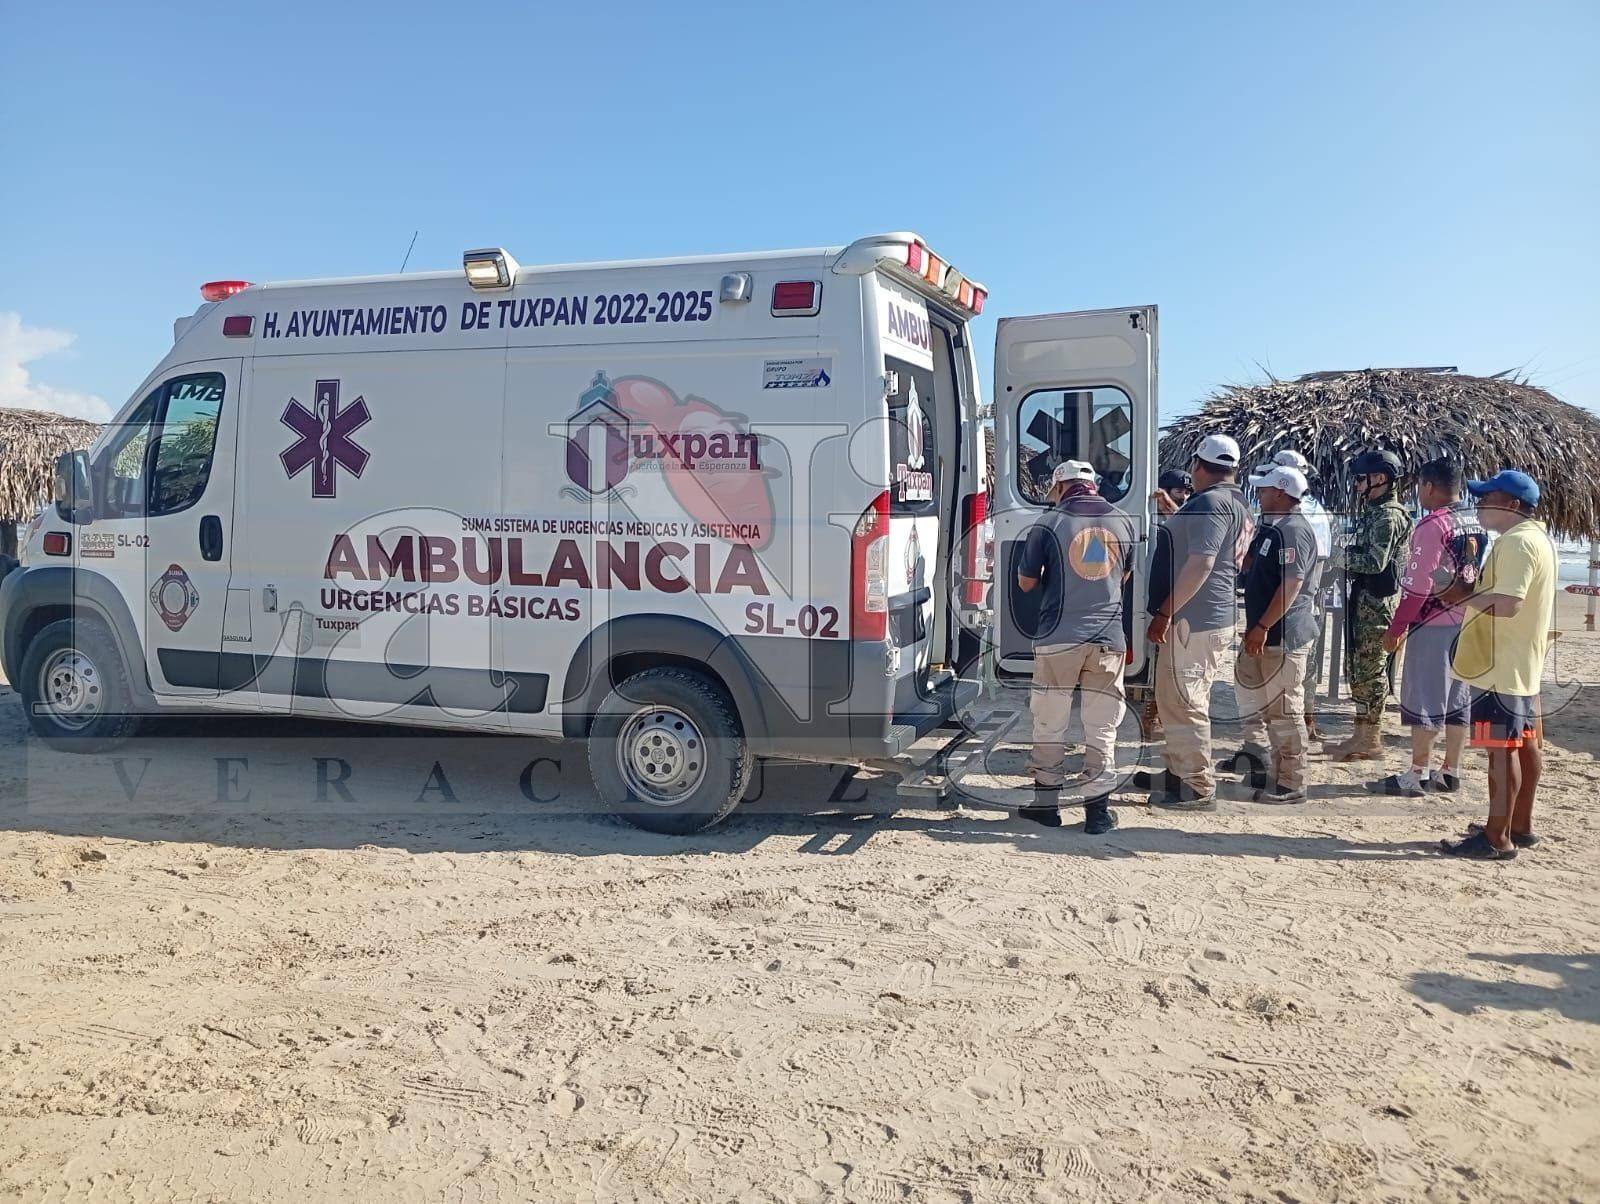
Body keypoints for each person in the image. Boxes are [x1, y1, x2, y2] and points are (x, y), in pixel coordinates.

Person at [1016, 460, 1139, 834]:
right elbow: (1125, 577)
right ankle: (1097, 813)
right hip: (1108, 640)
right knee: (1102, 726)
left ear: (1060, 486)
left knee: (1050, 721)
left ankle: (1047, 807)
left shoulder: (1049, 523)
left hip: (1058, 640)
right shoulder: (1123, 520)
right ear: (1093, 485)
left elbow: (1025, 583)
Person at [1438, 471, 1556, 859]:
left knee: (1498, 749)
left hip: (1498, 666)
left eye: (1489, 496)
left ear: (1511, 505)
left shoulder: (1517, 543)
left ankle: (1496, 837)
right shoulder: (1537, 538)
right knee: (1523, 745)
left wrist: (1462, 594)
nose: (1480, 502)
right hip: (1518, 663)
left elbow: (1509, 604)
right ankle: (1517, 825)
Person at [1136, 433, 1251, 810]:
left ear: (1199, 466)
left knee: (1185, 701)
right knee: (1173, 699)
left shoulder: (1212, 504)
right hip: (1205, 616)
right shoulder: (1234, 502)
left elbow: (1201, 561)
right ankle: (1177, 770)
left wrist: (1166, 612)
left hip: (1194, 619)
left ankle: (1198, 785)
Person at [1369, 458, 1485, 796]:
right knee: (1456, 698)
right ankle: (1451, 769)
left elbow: (1418, 585)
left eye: (1419, 486)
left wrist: (1397, 627)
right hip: (1464, 620)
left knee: (1424, 700)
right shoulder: (1474, 521)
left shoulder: (1432, 525)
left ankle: (1417, 773)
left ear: (1429, 486)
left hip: (1432, 622)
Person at [1231, 465, 1321, 803]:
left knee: (1285, 709)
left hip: (1284, 634)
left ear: (1281, 493)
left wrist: (1262, 627)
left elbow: (1292, 585)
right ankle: (1281, 775)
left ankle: (1293, 782)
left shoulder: (1294, 532)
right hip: (1270, 633)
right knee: (1274, 709)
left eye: (1265, 489)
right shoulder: (1273, 529)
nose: (1260, 494)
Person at [1327, 449, 1413, 761]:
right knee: (1360, 670)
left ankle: (1371, 739)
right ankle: (1360, 735)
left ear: (1379, 478)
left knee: (1372, 670)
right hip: (1365, 598)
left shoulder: (1388, 516)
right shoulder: (1375, 512)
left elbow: (1375, 562)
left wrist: (1334, 557)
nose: (1356, 485)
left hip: (1377, 602)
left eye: (1361, 478)